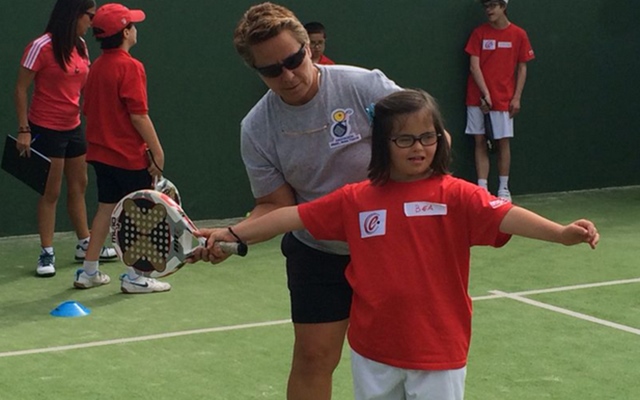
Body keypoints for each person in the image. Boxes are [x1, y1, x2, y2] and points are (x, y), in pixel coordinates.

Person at [204, 89, 600, 400]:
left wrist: (561, 233)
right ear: (383, 144)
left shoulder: (457, 195)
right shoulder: (356, 199)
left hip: (438, 351)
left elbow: (505, 216)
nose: (418, 147)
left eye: (427, 137)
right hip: (373, 352)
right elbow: (291, 217)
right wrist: (234, 234)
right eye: (405, 139)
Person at [13, 0, 117, 278]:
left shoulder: (81, 46)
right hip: (45, 128)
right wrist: (24, 130)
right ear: (74, 15)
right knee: (51, 191)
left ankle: (85, 242)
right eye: (89, 16)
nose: (92, 22)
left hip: (73, 127)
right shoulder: (41, 46)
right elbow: (21, 89)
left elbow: (82, 87)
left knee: (79, 184)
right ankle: (46, 252)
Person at [73, 3, 169, 294]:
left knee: (106, 209)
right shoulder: (131, 67)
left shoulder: (96, 68)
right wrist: (157, 151)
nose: (136, 29)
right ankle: (136, 276)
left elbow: (89, 109)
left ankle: (89, 271)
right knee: (138, 215)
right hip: (128, 157)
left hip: (101, 156)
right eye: (134, 25)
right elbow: (138, 115)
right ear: (126, 32)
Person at [464, 0, 534, 202]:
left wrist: (517, 97)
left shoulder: (519, 34)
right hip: (476, 98)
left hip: (504, 99)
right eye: (486, 6)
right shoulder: (479, 33)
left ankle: (503, 189)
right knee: (480, 141)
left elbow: (522, 68)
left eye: (493, 6)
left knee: (502, 142)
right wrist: (485, 94)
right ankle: (482, 189)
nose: (488, 10)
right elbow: (474, 66)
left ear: (503, 7)